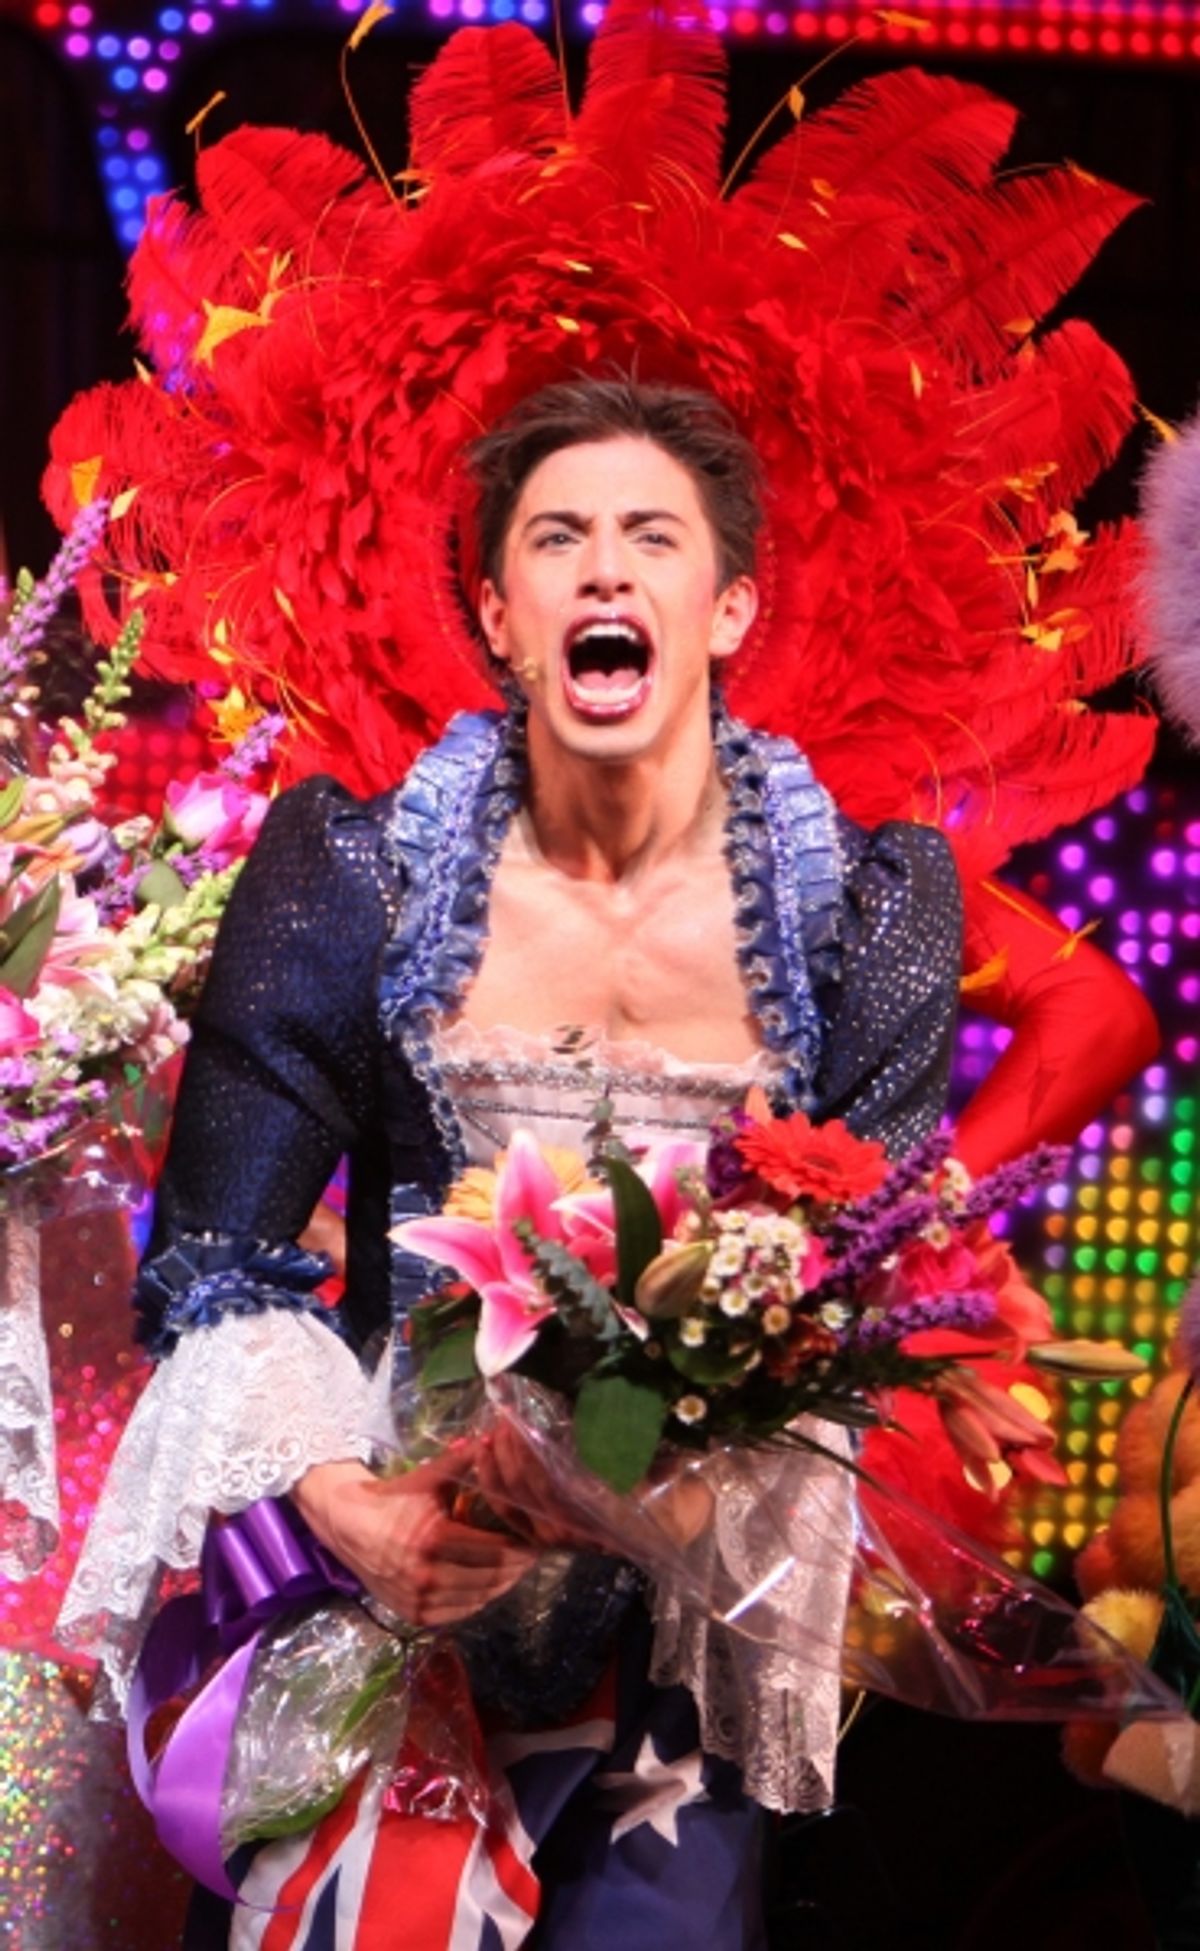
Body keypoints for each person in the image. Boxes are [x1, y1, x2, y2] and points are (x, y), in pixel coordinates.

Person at [63, 376, 963, 1948]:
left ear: (728, 602)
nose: (603, 572)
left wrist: (667, 1492)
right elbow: (211, 1262)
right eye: (557, 539)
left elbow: (852, 1313)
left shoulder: (871, 912)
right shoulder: (348, 871)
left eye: (648, 538)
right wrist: (352, 1510)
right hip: (383, 1599)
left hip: (674, 1638)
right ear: (498, 605)